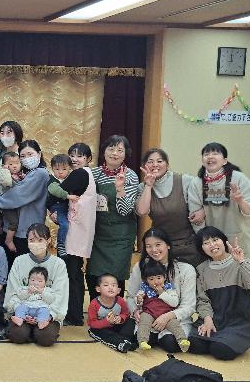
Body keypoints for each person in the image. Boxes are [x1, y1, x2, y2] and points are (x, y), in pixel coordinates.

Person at [187, 142, 250, 273]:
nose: (210, 156)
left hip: (243, 236)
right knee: (221, 276)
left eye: (215, 153)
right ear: (202, 161)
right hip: (216, 241)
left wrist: (240, 201)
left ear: (225, 161)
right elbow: (196, 218)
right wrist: (207, 242)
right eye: (206, 154)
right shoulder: (196, 183)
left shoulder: (239, 178)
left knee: (247, 275)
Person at [189, 226, 250, 360]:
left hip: (239, 322)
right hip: (215, 320)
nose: (212, 245)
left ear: (224, 241)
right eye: (206, 243)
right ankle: (217, 338)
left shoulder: (239, 263)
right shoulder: (201, 270)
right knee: (194, 345)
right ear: (202, 249)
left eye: (215, 240)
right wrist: (207, 319)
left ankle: (225, 340)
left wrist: (242, 261)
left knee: (221, 350)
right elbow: (202, 299)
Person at [125, 227, 198, 352]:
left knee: (171, 344)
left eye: (158, 244)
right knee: (136, 337)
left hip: (175, 319)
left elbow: (189, 306)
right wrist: (135, 311)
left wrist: (167, 317)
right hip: (148, 316)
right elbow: (131, 296)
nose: (154, 250)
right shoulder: (140, 266)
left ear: (168, 245)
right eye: (149, 246)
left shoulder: (186, 269)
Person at [85, 135, 140, 298]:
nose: (115, 153)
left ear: (125, 154)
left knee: (116, 277)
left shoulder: (131, 176)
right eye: (111, 149)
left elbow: (126, 210)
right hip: (98, 233)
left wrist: (120, 189)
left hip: (121, 235)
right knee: (93, 274)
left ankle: (117, 310)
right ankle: (96, 309)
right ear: (104, 151)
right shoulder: (93, 174)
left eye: (120, 150)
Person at [54, 143, 98, 326]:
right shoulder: (87, 174)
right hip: (81, 231)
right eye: (72, 155)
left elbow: (57, 192)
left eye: (80, 156)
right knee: (75, 274)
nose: (74, 159)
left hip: (75, 233)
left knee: (71, 275)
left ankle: (74, 316)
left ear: (88, 159)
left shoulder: (80, 173)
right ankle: (75, 314)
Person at [3, 224, 68, 346]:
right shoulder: (19, 261)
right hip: (22, 312)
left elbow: (61, 296)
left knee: (46, 338)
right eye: (32, 240)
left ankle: (35, 332)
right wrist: (20, 311)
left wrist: (49, 316)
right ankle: (28, 332)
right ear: (27, 241)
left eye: (40, 240)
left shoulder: (58, 264)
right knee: (18, 335)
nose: (36, 244)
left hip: (46, 314)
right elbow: (13, 291)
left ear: (48, 240)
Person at [136, 148, 202, 266]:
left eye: (159, 161)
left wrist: (203, 210)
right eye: (150, 162)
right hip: (161, 247)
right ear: (144, 166)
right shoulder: (143, 187)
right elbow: (142, 211)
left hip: (189, 244)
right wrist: (148, 185)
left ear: (167, 165)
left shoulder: (184, 180)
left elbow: (207, 194)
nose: (155, 165)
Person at [0, 140, 51, 258]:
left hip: (27, 231)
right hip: (16, 229)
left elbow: (18, 195)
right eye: (23, 156)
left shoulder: (40, 173)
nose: (27, 159)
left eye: (30, 154)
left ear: (39, 154)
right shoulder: (25, 173)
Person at [134, 261, 190, 352]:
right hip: (149, 312)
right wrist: (139, 300)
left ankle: (182, 340)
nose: (156, 281)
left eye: (159, 278)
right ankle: (142, 341)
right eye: (151, 279)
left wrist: (162, 293)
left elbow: (174, 303)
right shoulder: (145, 288)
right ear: (146, 280)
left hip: (166, 314)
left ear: (164, 277)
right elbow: (137, 300)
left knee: (175, 325)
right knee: (143, 322)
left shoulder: (169, 288)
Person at [86, 274, 136, 353]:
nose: (110, 287)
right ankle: (120, 344)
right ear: (98, 289)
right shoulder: (94, 304)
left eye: (113, 285)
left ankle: (127, 340)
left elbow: (126, 313)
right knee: (101, 332)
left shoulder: (120, 301)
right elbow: (92, 323)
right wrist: (107, 322)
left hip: (116, 326)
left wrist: (121, 318)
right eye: (106, 285)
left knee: (130, 320)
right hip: (101, 328)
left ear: (118, 290)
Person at [0, 150, 25, 254]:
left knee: (3, 218)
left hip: (11, 204)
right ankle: (8, 240)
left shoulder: (19, 175)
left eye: (17, 163)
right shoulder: (5, 175)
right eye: (10, 164)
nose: (14, 166)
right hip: (7, 204)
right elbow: (7, 183)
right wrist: (4, 170)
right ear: (4, 165)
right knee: (14, 222)